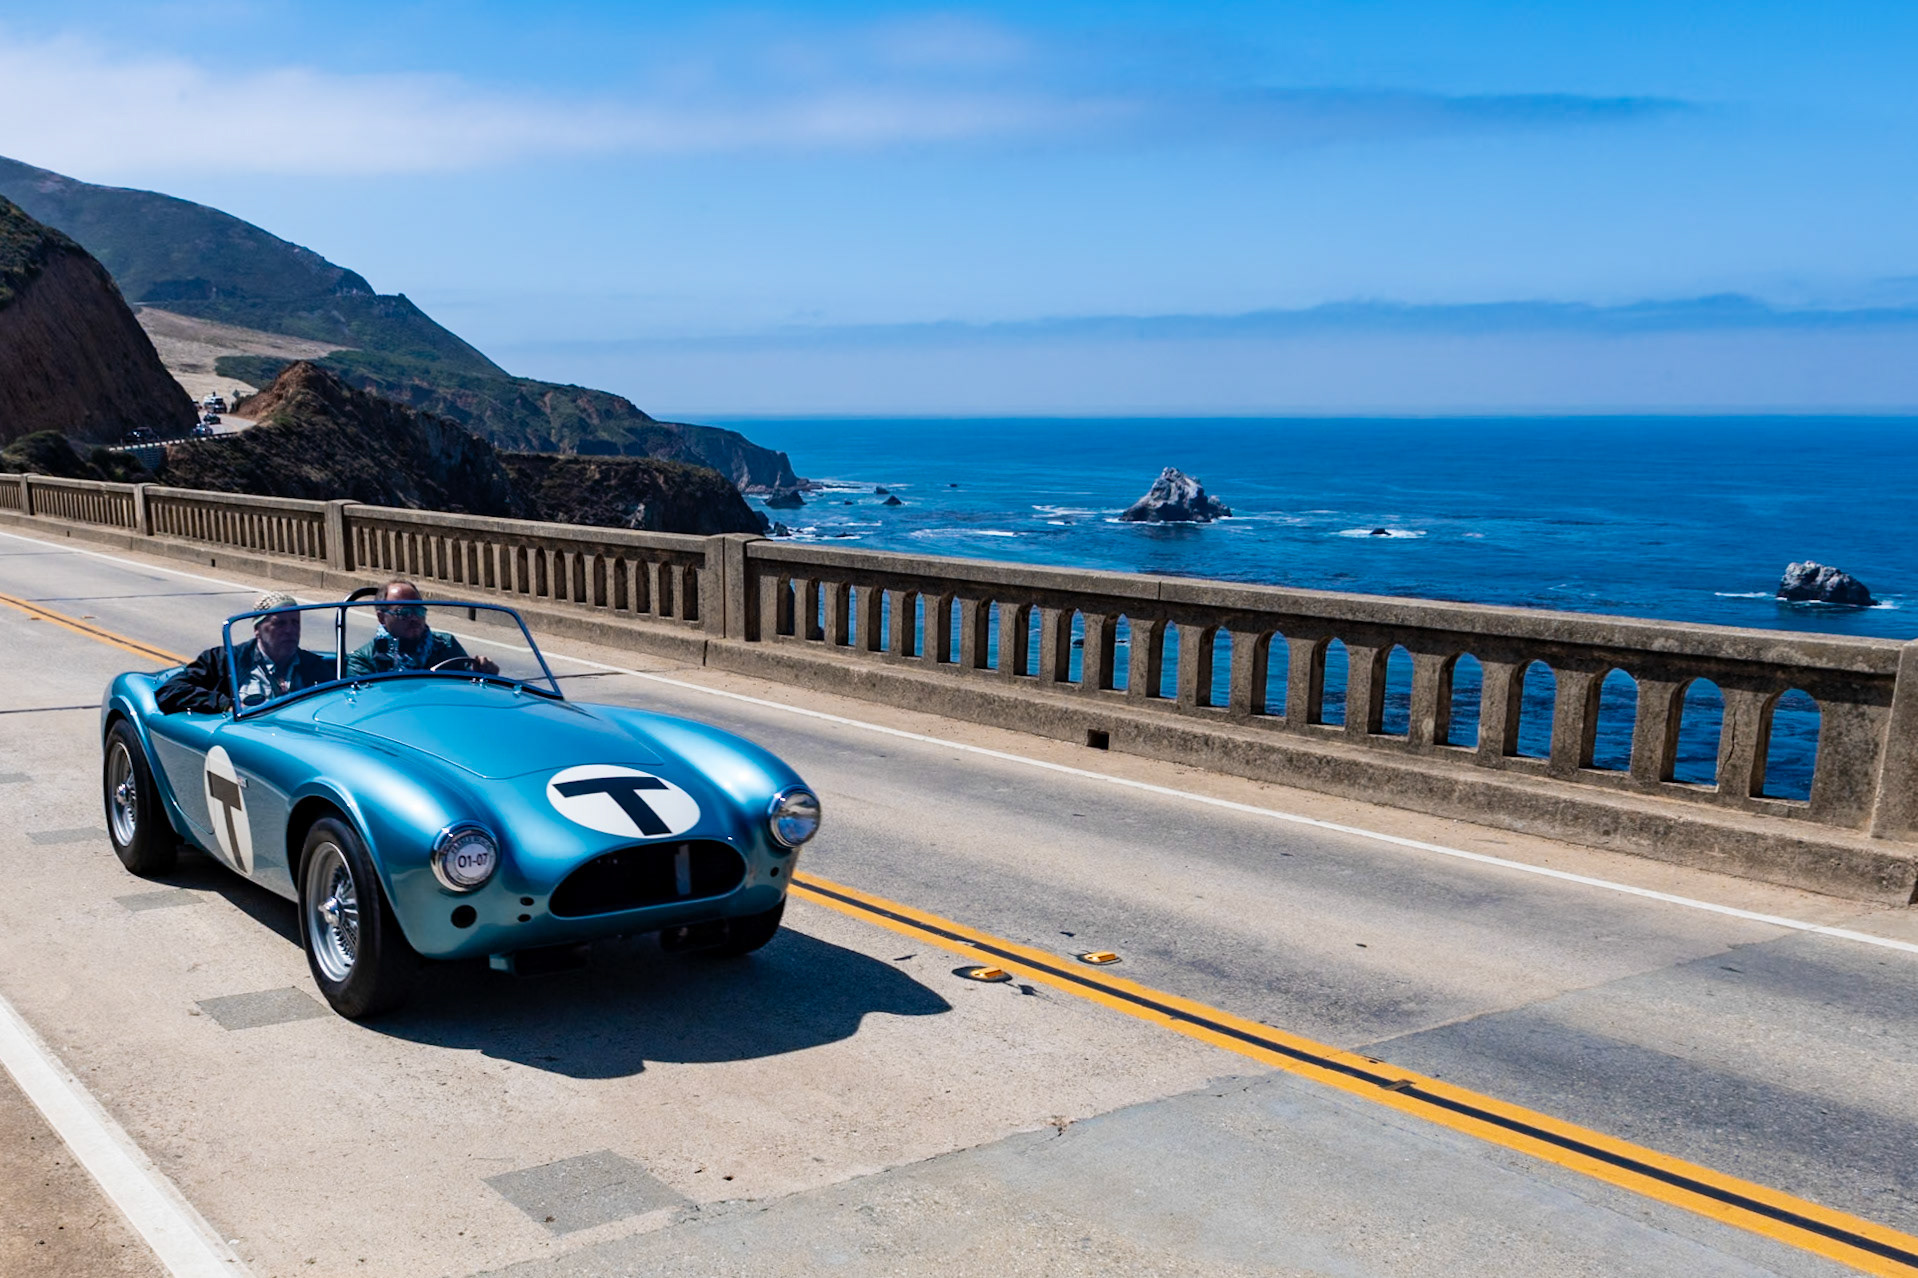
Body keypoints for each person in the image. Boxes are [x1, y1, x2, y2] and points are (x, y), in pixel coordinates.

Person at [155, 592, 334, 714]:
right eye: (279, 623)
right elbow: (170, 692)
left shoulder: (313, 665)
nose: (290, 630)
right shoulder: (225, 660)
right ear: (258, 629)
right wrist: (226, 704)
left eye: (295, 623)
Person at [346, 579, 498, 678]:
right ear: (382, 618)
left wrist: (484, 671)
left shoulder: (446, 644)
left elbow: (467, 684)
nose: (414, 618)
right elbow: (366, 705)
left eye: (418, 610)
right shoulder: (363, 659)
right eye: (404, 613)